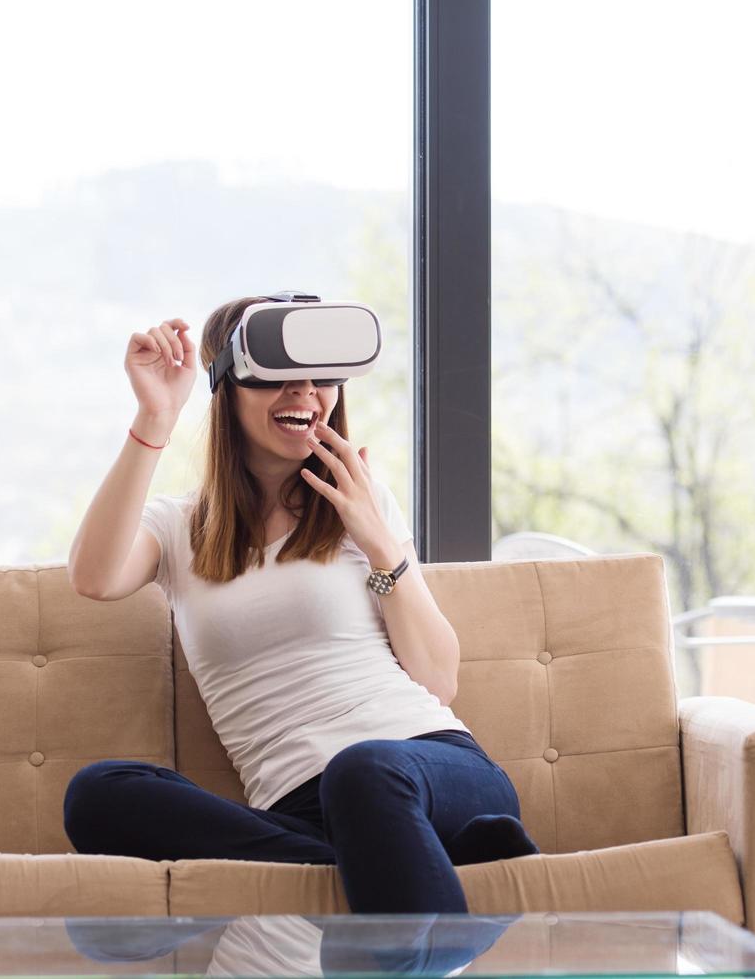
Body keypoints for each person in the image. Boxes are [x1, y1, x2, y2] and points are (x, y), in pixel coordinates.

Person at [62, 297, 538, 914]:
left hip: (424, 767)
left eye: (320, 380)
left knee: (361, 772)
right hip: (296, 806)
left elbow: (438, 678)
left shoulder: (361, 503)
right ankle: (386, 862)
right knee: (99, 794)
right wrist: (156, 415)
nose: (307, 396)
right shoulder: (180, 526)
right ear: (228, 386)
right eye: (281, 377)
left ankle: (392, 870)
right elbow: (94, 578)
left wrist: (377, 543)